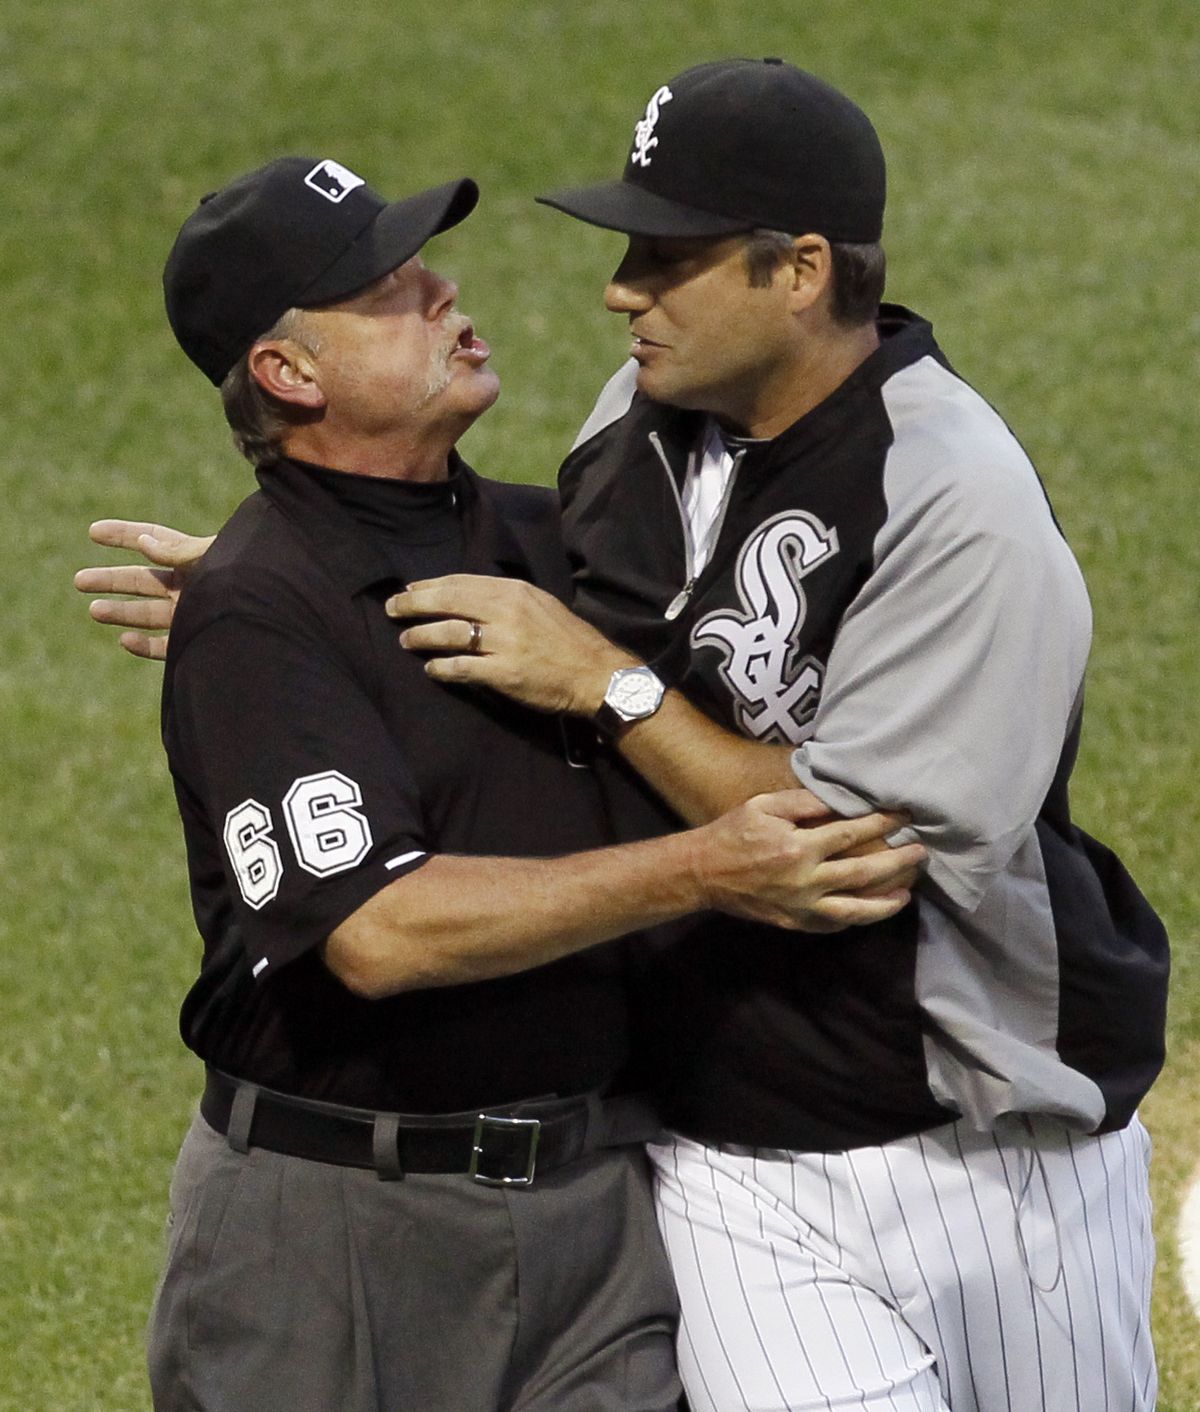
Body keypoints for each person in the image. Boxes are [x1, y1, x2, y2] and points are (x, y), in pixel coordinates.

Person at [80, 62, 1169, 1410]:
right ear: (288, 368)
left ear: (803, 269)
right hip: (355, 1223)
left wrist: (310, 603)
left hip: (678, 1202)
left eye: (666, 256)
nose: (453, 294)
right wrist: (269, 600)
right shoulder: (330, 581)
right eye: (391, 290)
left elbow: (792, 791)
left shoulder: (582, 528)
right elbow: (378, 931)